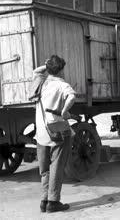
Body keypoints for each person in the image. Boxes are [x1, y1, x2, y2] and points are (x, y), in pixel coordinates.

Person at [32, 55, 76, 213]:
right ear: (62, 70)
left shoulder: (41, 81)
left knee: (44, 169)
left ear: (49, 68)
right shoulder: (61, 84)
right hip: (57, 130)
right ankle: (53, 202)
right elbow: (71, 96)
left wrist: (48, 66)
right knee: (57, 166)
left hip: (41, 132)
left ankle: (44, 200)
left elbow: (37, 70)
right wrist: (65, 111)